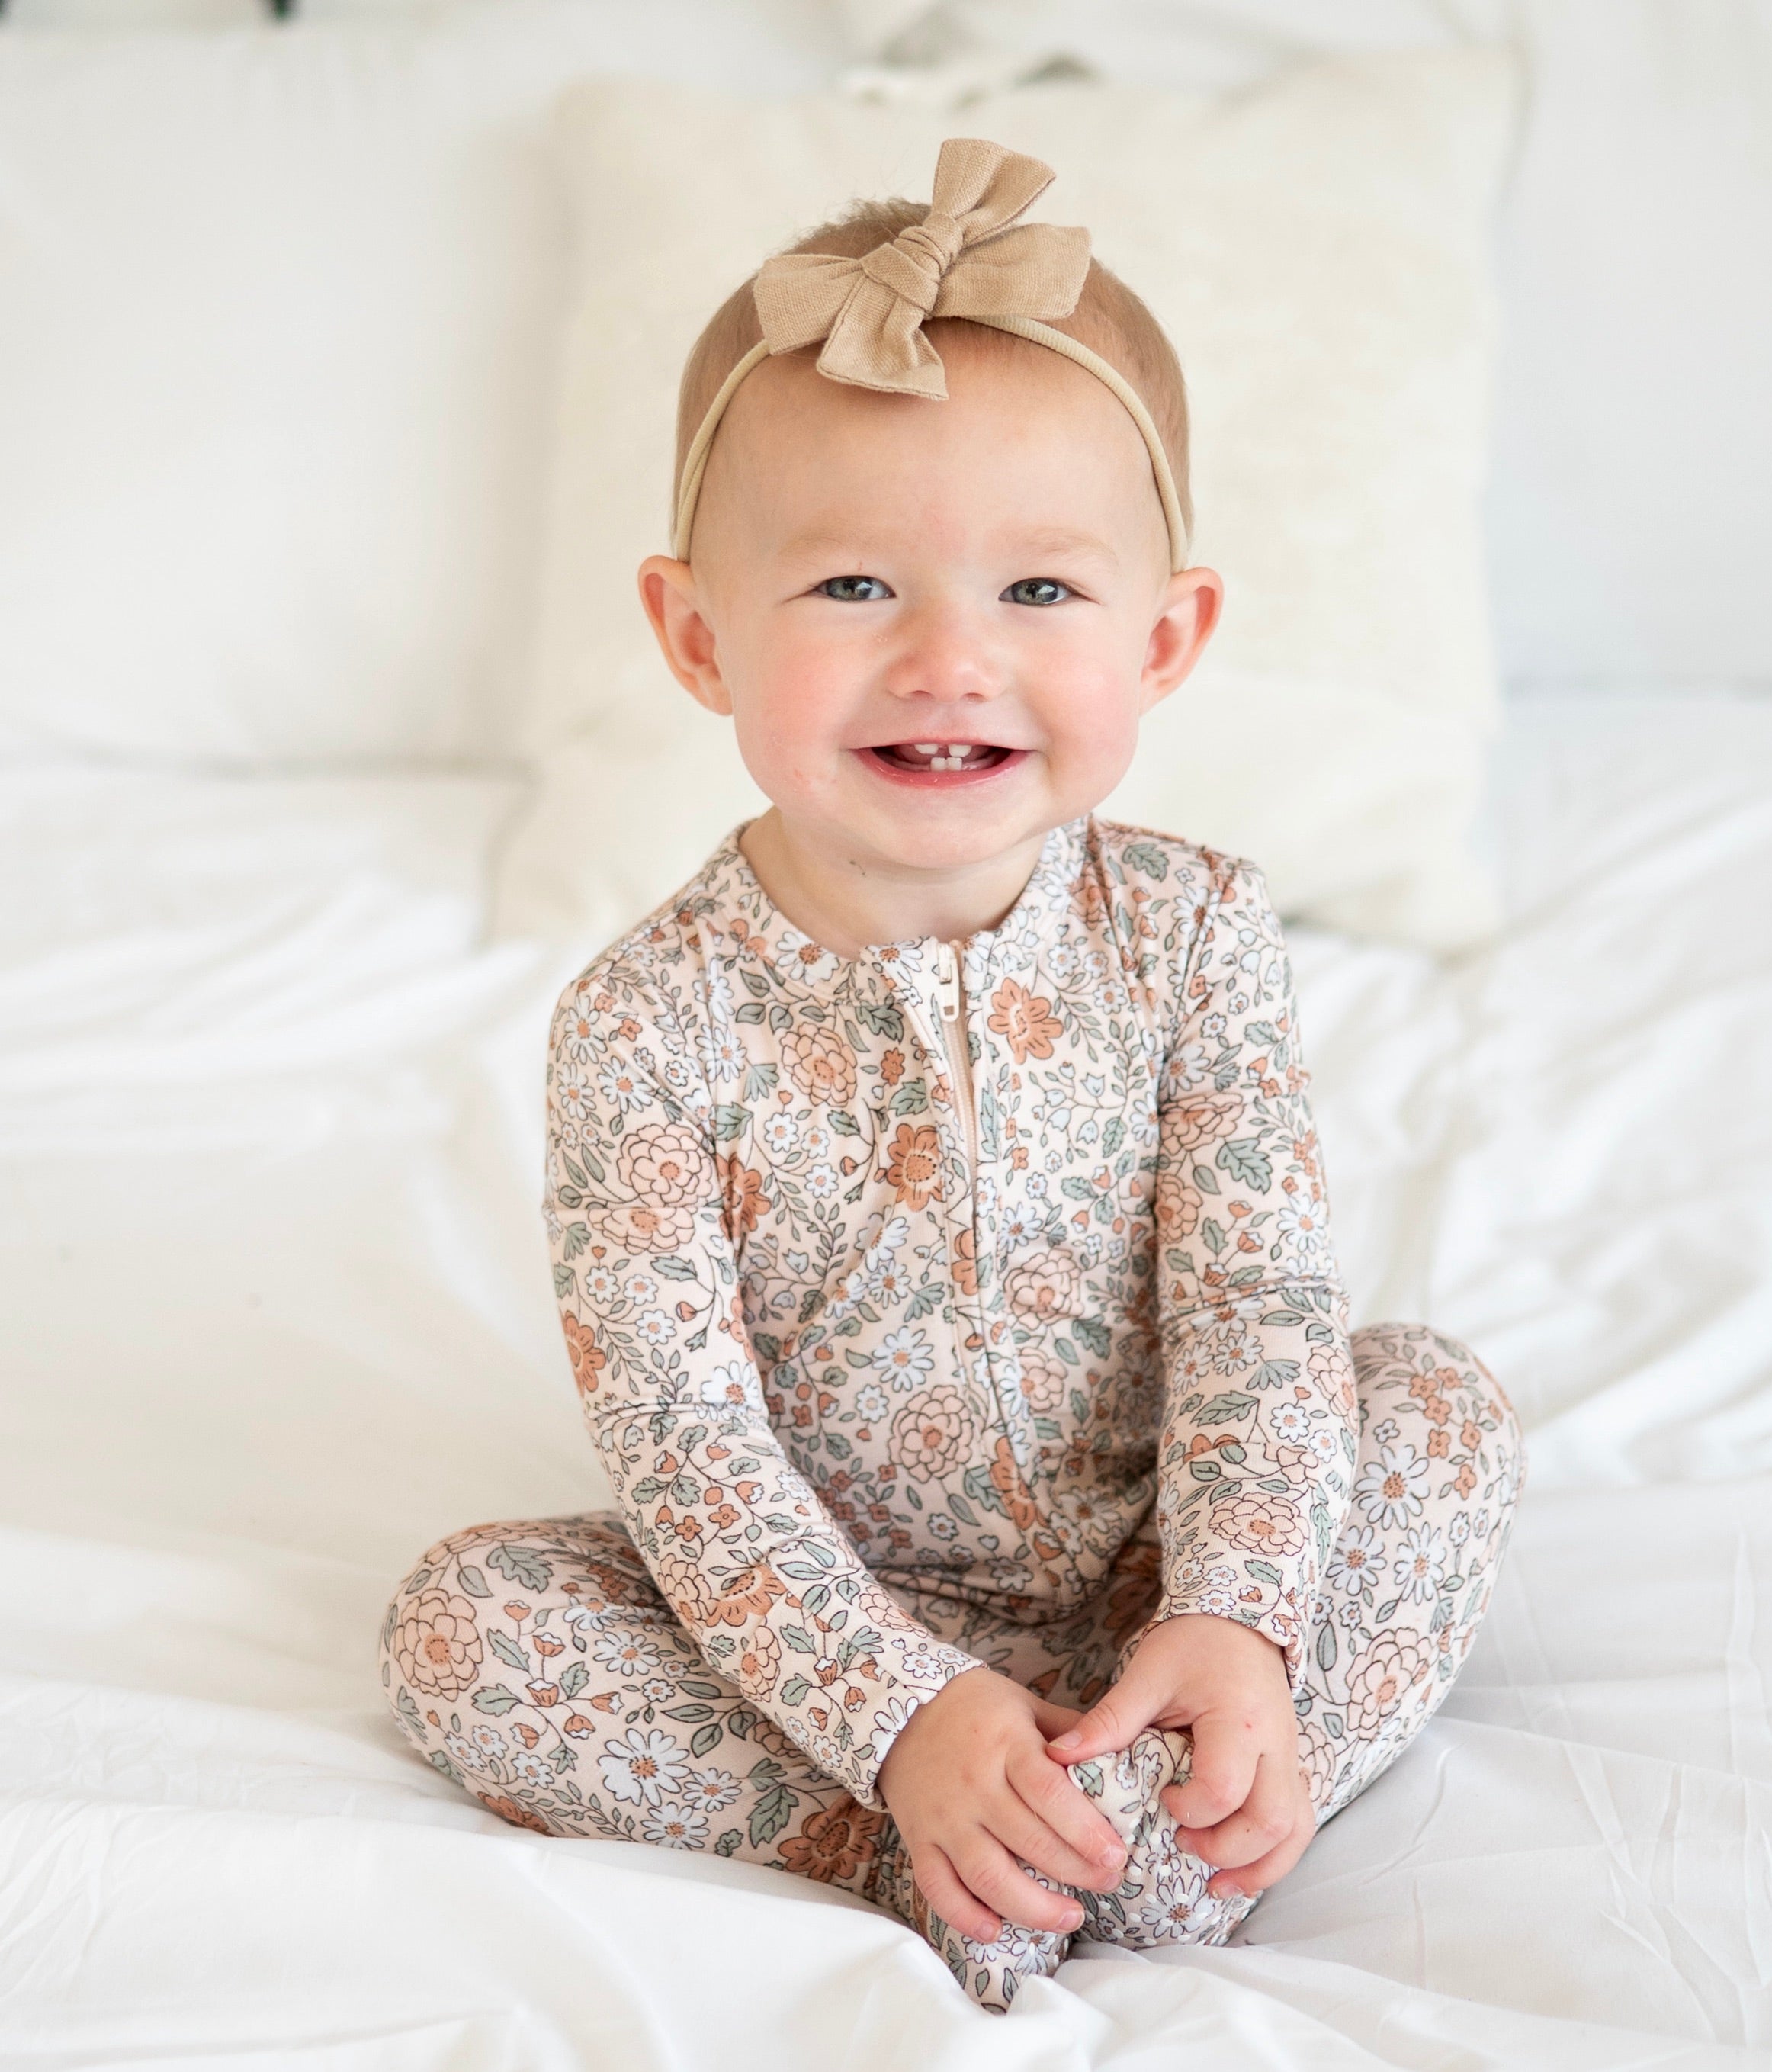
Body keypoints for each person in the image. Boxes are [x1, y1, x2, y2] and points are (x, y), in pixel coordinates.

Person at [380, 139, 1524, 2013]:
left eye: (1041, 595)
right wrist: (893, 1708)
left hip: (1167, 1557)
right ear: (692, 635)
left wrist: (1235, 1609)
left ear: (1165, 641)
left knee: (1432, 1407)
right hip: (833, 1617)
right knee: (460, 1629)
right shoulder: (646, 1024)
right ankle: (928, 1833)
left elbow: (1253, 1304)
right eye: (848, 583)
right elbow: (691, 1452)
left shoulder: (1195, 934)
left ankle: (1199, 1760)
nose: (948, 661)